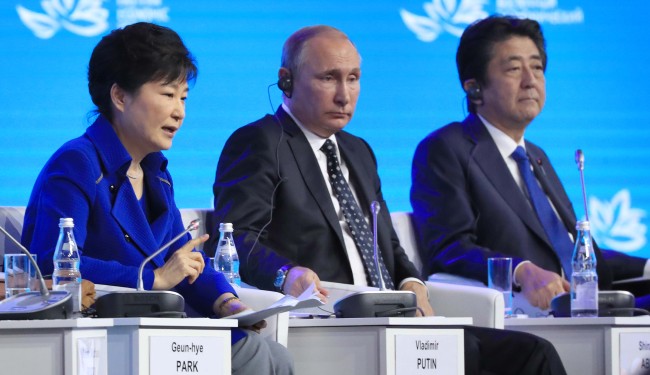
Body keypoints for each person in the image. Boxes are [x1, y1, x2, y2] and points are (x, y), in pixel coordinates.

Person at [208, 24, 567, 375]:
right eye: (328, 78)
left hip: (391, 317)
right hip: (329, 320)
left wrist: (412, 283)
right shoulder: (259, 142)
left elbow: (389, 247)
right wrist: (288, 274)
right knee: (475, 354)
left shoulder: (358, 151)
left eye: (353, 78)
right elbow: (238, 237)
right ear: (287, 80)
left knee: (531, 352)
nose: (344, 95)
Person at [21, 22, 293, 375]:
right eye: (167, 94)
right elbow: (51, 266)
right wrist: (151, 280)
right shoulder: (78, 163)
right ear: (120, 97)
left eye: (183, 98)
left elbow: (186, 260)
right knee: (253, 356)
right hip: (103, 338)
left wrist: (227, 301)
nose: (179, 111)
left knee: (277, 354)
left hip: (158, 333)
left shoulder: (156, 174)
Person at [410, 15, 648, 312]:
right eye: (514, 69)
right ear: (474, 88)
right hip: (525, 313)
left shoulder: (536, 156)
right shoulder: (446, 149)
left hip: (587, 306)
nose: (531, 80)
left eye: (537, 67)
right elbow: (449, 248)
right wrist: (520, 271)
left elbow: (571, 253)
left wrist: (647, 265)